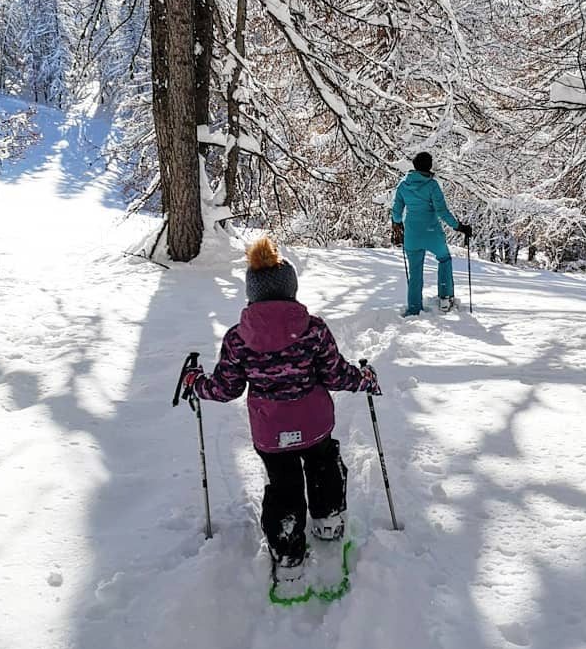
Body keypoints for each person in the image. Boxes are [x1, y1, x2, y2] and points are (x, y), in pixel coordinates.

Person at [181, 236, 381, 583]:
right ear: (292, 289)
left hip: (271, 432)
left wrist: (195, 384)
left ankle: (287, 548)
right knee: (323, 465)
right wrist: (363, 378)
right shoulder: (314, 329)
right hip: (315, 423)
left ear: (251, 293)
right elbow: (335, 373)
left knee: (283, 484)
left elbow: (226, 387)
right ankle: (329, 519)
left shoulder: (237, 339)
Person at [391, 151, 472, 316]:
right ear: (429, 166)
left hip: (412, 235)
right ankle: (445, 298)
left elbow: (396, 213)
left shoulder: (403, 185)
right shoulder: (432, 185)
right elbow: (442, 211)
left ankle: (414, 308)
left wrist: (398, 224)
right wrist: (459, 227)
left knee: (415, 273)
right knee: (444, 259)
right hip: (432, 233)